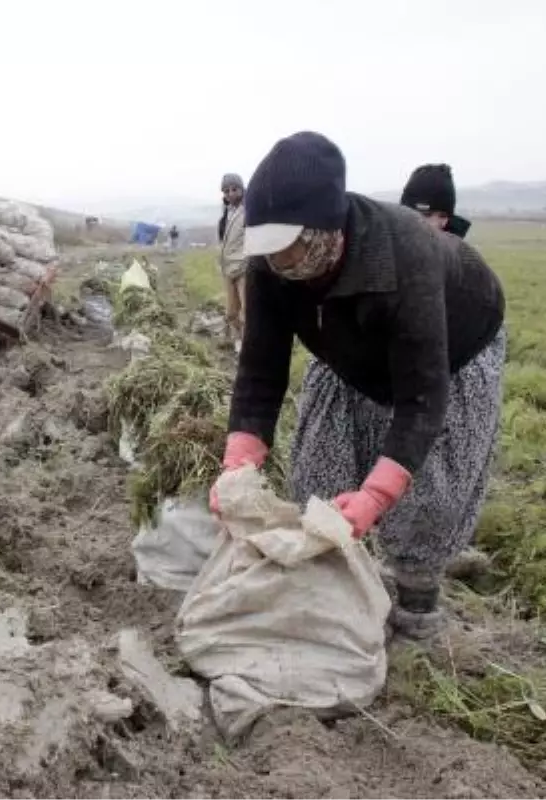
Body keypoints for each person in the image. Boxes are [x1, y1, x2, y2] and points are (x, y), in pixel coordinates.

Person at [211, 132, 507, 642]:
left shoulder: (408, 251)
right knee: (317, 471)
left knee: (426, 494)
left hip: (452, 347)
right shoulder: (271, 264)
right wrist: (240, 460)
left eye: (291, 248)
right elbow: (260, 370)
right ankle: (330, 599)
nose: (279, 262)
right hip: (346, 347)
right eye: (270, 250)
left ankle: (417, 607)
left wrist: (376, 494)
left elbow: (421, 401)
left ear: (328, 227)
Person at [217, 173, 248, 352]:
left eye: (234, 189)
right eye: (227, 191)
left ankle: (249, 346)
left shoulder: (248, 211)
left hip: (244, 268)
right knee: (231, 311)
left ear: (242, 190)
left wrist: (248, 260)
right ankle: (237, 340)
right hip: (228, 269)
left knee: (247, 311)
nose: (231, 194)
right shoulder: (226, 213)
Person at [400, 163, 471, 239]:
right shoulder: (389, 247)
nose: (434, 225)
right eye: (426, 214)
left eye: (443, 216)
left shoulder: (456, 248)